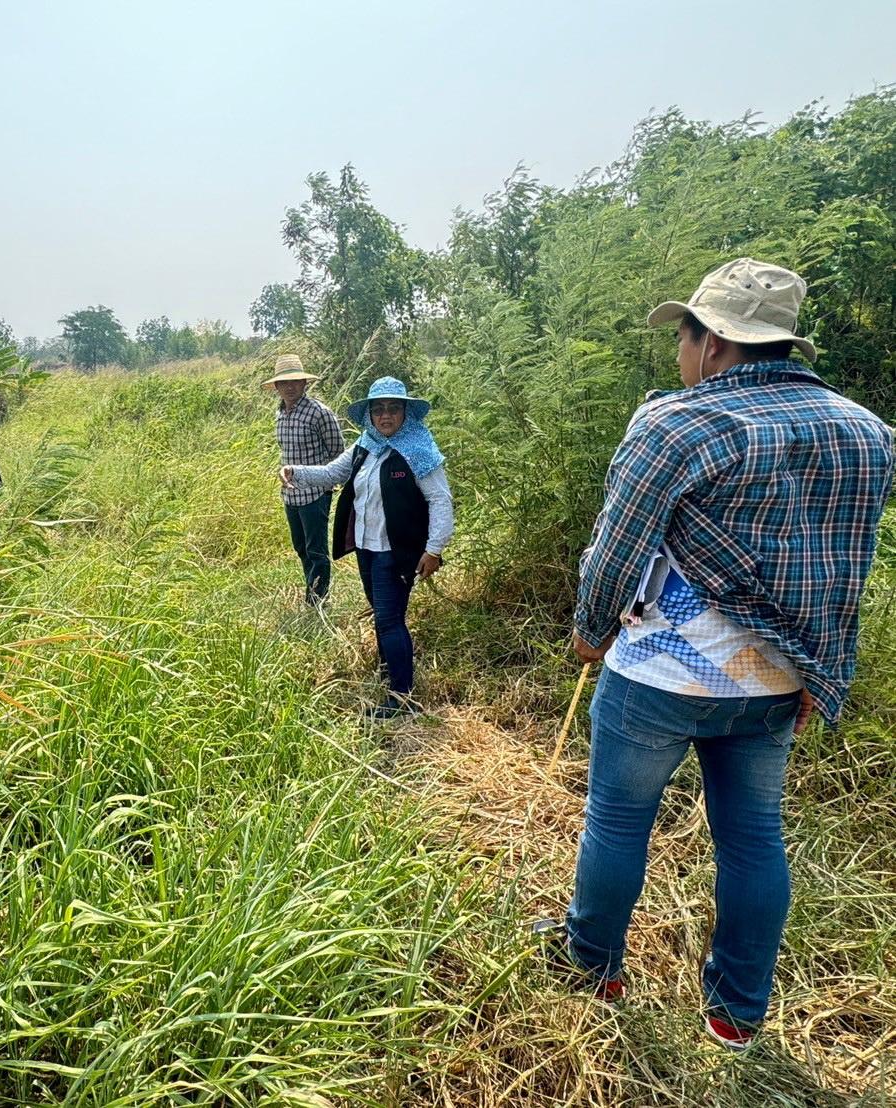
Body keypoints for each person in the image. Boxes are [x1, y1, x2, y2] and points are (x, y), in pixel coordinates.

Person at [536, 259, 894, 1050]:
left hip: (658, 675)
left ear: (715, 342)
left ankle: (593, 963)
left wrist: (591, 630)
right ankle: (737, 1012)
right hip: (773, 683)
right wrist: (820, 669)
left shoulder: (676, 423)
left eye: (684, 335)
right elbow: (848, 567)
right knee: (753, 837)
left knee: (618, 824)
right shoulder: (866, 431)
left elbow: (615, 550)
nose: (679, 354)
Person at [281, 376, 453, 719]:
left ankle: (402, 699)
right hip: (367, 548)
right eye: (378, 409)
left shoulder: (419, 451)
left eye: (393, 408)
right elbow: (332, 474)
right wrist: (295, 471)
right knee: (383, 615)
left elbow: (441, 500)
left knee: (390, 620)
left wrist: (433, 550)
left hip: (397, 550)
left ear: (406, 412)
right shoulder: (365, 446)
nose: (385, 416)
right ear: (369, 415)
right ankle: (392, 675)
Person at [266, 354, 344, 605]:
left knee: (316, 550)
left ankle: (317, 602)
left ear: (304, 383)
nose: (290, 387)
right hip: (290, 494)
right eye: (284, 383)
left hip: (315, 493)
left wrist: (324, 482)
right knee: (301, 548)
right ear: (277, 387)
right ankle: (312, 594)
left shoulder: (319, 413)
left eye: (295, 381)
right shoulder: (280, 415)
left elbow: (337, 452)